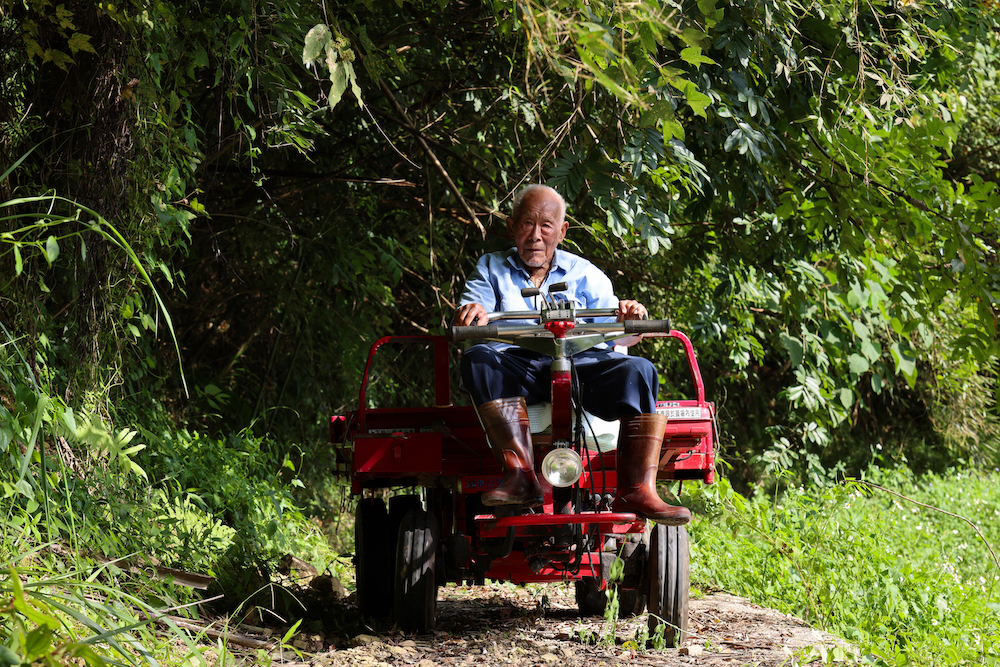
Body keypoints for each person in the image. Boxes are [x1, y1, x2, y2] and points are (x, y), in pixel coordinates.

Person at [454, 184, 691, 525]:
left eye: (546, 226)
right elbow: (472, 312)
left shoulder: (586, 273)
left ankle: (638, 488)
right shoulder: (491, 267)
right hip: (522, 368)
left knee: (638, 370)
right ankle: (520, 477)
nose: (536, 236)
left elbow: (619, 335)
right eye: (526, 224)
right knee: (478, 358)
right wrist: (471, 311)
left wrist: (629, 320)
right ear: (511, 227)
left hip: (582, 367)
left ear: (562, 231)